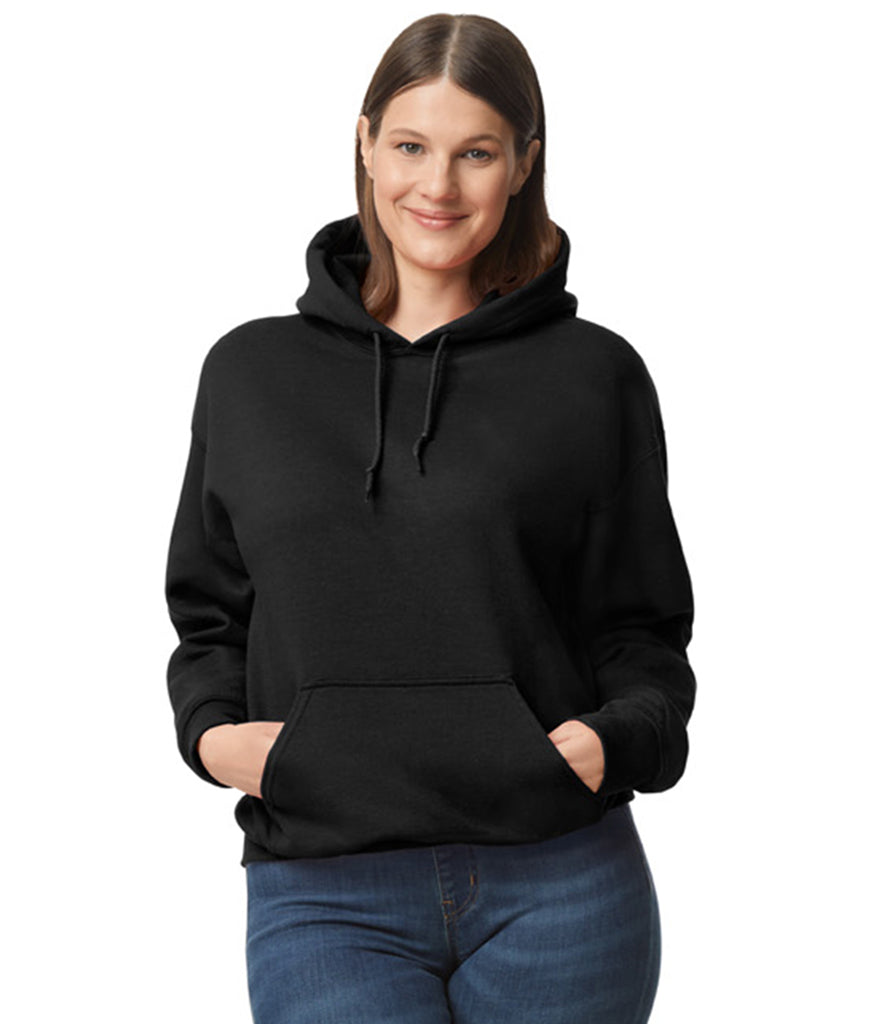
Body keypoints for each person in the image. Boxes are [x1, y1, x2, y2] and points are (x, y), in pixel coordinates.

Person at [164, 12, 696, 1024]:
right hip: (323, 888)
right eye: (410, 146)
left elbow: (642, 626)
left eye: (476, 153)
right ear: (365, 143)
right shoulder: (250, 372)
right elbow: (209, 611)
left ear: (524, 162)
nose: (438, 186)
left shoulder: (594, 374)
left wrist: (608, 740)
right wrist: (216, 737)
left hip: (560, 881)